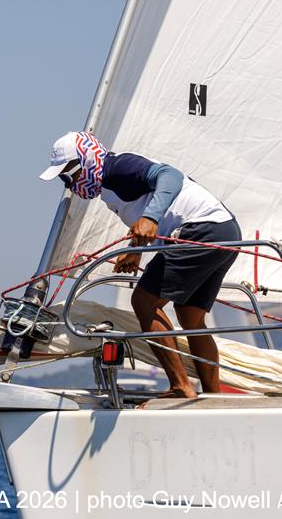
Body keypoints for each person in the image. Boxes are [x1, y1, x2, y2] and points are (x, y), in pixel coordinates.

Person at [40, 131, 240, 400]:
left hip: (201, 229)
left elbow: (170, 176)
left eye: (67, 175)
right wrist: (135, 250)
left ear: (85, 162)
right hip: (224, 230)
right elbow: (146, 212)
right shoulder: (110, 187)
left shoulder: (117, 169)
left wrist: (151, 218)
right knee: (190, 317)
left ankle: (182, 386)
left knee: (144, 302)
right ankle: (214, 397)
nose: (69, 184)